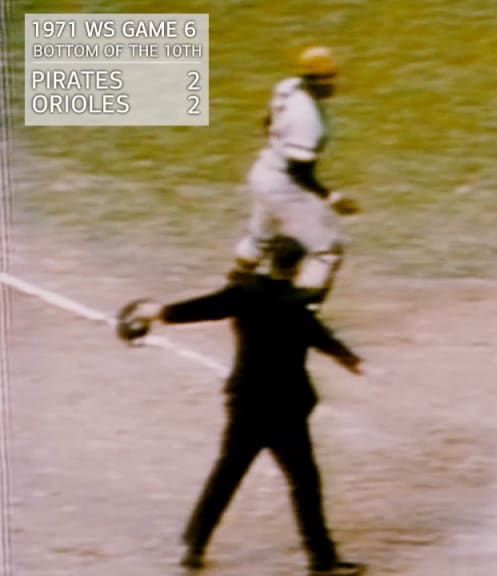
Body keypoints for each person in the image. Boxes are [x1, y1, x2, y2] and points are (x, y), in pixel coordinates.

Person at [124, 236, 367, 576]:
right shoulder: (296, 305)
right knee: (305, 485)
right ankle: (322, 560)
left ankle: (194, 547)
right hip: (286, 410)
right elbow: (324, 339)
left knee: (226, 475)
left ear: (269, 261)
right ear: (295, 268)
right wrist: (355, 362)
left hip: (246, 405)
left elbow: (200, 308)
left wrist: (158, 312)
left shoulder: (243, 294)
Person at [233, 45, 359, 309]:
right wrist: (333, 198)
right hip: (283, 184)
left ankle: (233, 293)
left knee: (259, 240)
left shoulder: (287, 87)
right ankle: (304, 313)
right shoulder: (306, 118)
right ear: (309, 80)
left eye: (333, 75)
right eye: (324, 78)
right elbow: (299, 171)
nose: (331, 83)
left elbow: (266, 121)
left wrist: (276, 144)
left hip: (263, 172)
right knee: (328, 251)